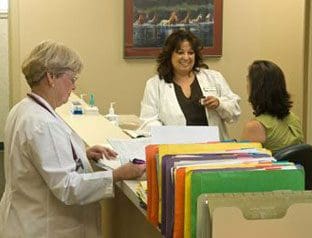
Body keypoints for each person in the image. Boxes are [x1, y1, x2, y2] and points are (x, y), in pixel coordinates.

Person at [0, 40, 146, 237]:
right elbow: (68, 187)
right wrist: (117, 175)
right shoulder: (43, 123)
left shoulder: (23, 109)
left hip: (24, 220)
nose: (74, 86)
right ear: (51, 76)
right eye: (72, 78)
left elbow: (38, 161)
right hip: (44, 228)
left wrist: (81, 155)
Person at [139, 30, 241, 140]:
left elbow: (234, 113)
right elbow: (148, 121)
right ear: (169, 55)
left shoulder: (214, 78)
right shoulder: (155, 85)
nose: (186, 57)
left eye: (191, 53)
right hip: (174, 149)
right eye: (180, 52)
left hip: (213, 149)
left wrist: (219, 104)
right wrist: (169, 134)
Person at [241, 60, 304, 154]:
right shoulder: (295, 119)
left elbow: (244, 164)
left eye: (248, 81)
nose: (247, 85)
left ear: (257, 88)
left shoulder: (254, 127)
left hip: (273, 169)